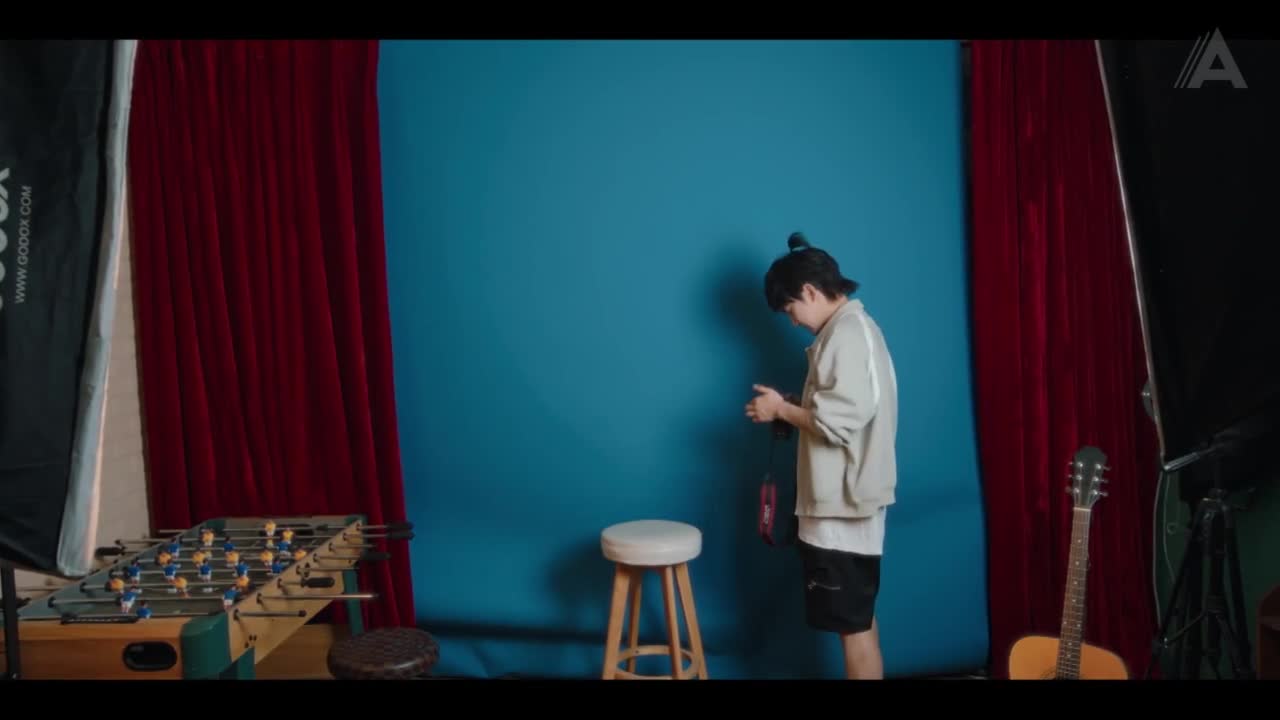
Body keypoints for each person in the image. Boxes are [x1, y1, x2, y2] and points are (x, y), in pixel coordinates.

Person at [744, 232, 898, 680]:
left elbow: (838, 423)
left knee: (854, 632)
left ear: (810, 292)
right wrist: (793, 405)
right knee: (858, 624)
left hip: (842, 512)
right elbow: (843, 411)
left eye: (790, 309)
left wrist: (780, 410)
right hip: (845, 506)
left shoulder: (847, 336)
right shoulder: (849, 332)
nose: (792, 322)